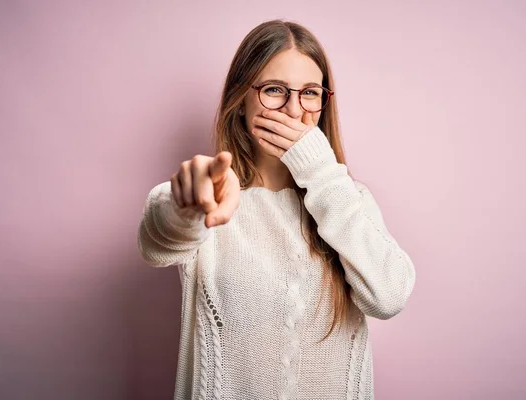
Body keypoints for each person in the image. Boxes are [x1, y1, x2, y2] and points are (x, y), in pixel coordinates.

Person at [138, 19, 416, 400]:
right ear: (240, 102)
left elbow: (389, 297)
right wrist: (184, 206)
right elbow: (159, 241)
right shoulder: (214, 193)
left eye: (310, 93)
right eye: (274, 90)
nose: (293, 110)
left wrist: (320, 170)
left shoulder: (347, 198)